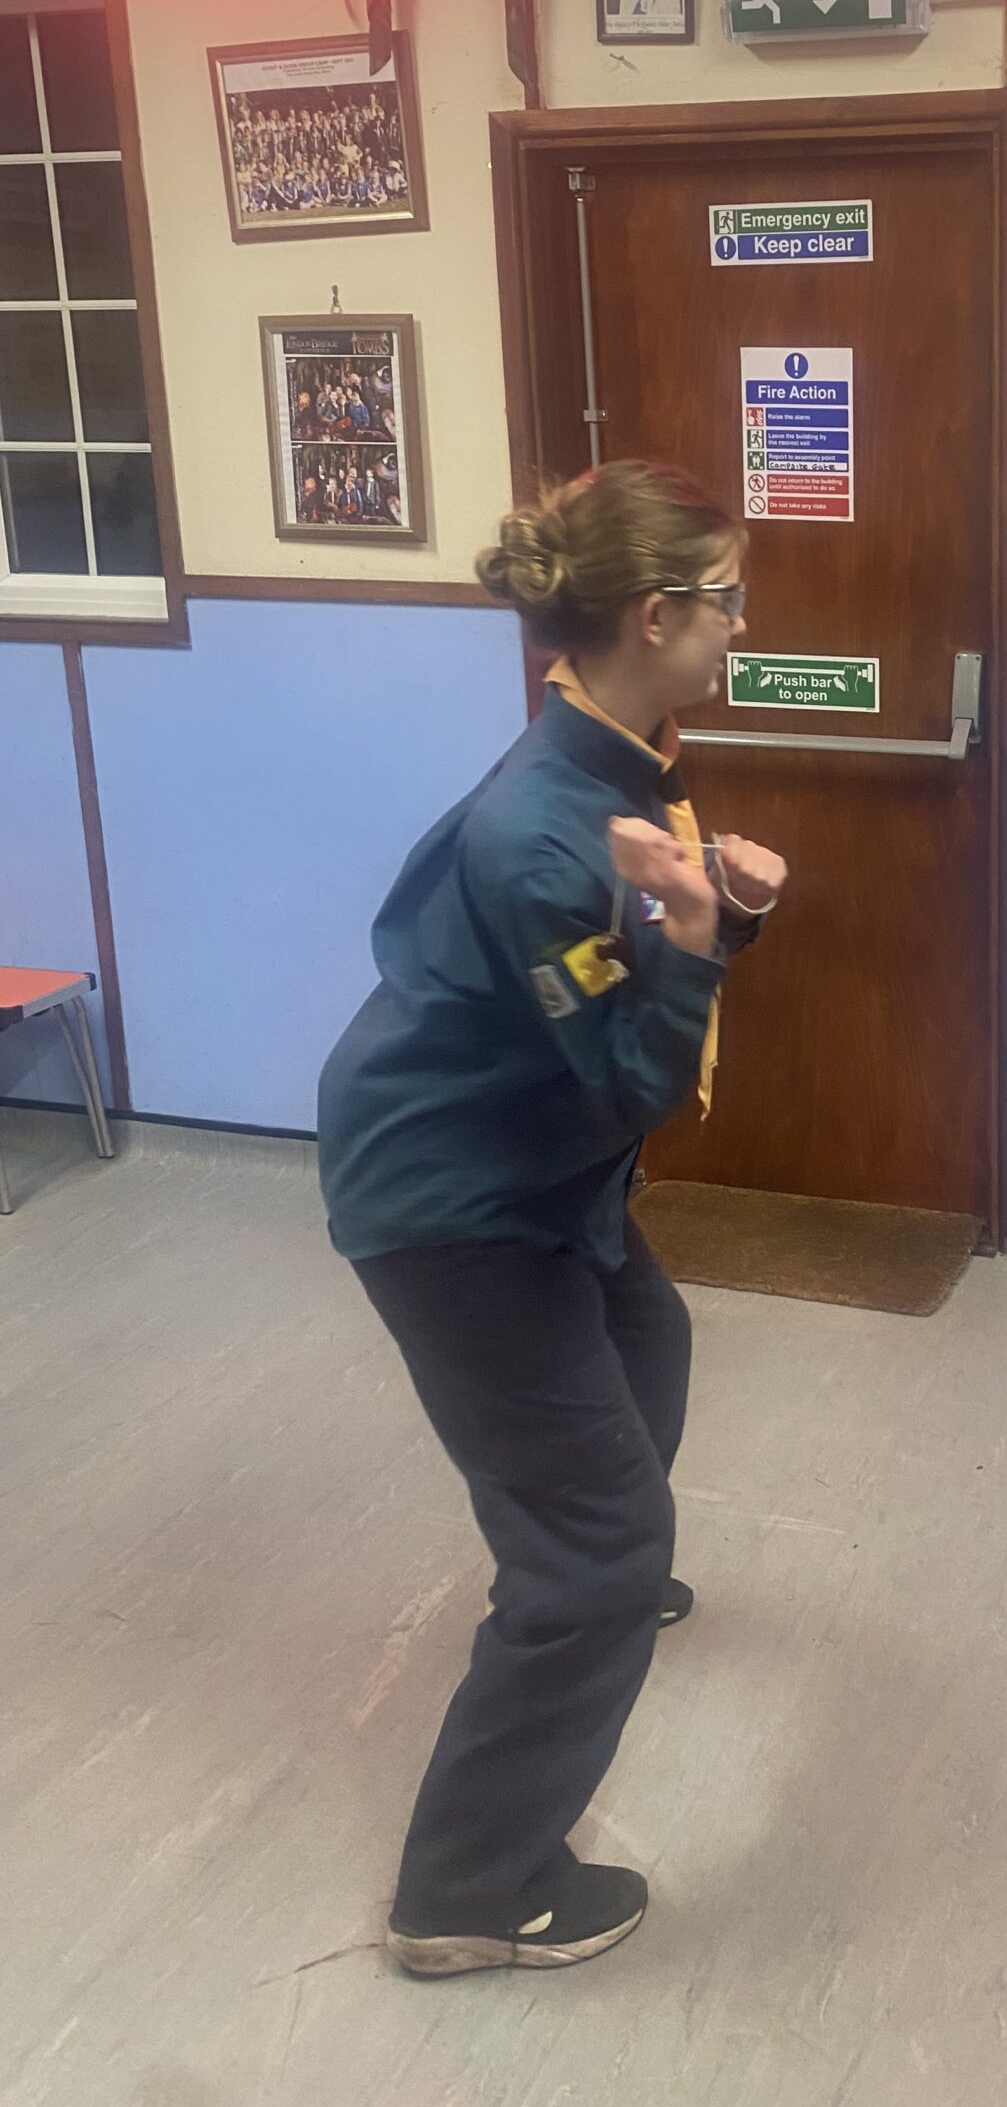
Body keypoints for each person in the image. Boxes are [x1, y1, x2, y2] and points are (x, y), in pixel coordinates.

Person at [317, 459, 786, 1975]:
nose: (741, 625)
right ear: (653, 614)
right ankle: (467, 1890)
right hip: (455, 1202)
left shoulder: (611, 763)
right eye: (726, 600)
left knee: (648, 1350)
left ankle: (601, 1563)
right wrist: (702, 937)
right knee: (595, 1556)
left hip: (538, 1167)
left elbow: (613, 1008)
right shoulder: (545, 828)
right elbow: (632, 1076)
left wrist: (715, 921)